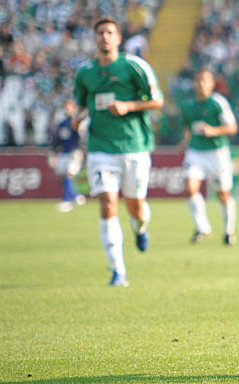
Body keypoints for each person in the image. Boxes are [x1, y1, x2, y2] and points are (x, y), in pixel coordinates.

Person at [72, 17, 164, 287]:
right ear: (94, 38)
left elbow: (157, 101)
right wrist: (80, 116)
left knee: (135, 207)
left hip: (134, 147)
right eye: (100, 32)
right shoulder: (85, 73)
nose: (105, 37)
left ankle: (140, 227)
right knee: (108, 204)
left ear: (118, 38)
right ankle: (118, 270)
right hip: (100, 148)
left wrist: (128, 106)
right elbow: (86, 103)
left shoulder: (134, 66)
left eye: (110, 32)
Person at [178, 68, 239, 245]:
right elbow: (187, 128)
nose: (201, 84)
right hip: (196, 152)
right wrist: (184, 141)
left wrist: (213, 131)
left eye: (204, 81)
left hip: (217, 153)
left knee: (223, 194)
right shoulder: (188, 105)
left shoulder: (218, 103)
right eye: (198, 81)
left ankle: (228, 232)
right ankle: (202, 227)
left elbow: (232, 128)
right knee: (190, 188)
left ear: (211, 84)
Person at [50, 99, 87, 213]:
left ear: (74, 108)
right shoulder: (62, 124)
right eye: (66, 107)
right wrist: (53, 153)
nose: (68, 109)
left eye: (70, 107)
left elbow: (82, 137)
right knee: (60, 176)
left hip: (74, 153)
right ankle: (75, 195)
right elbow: (57, 140)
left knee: (68, 175)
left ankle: (67, 200)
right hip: (63, 153)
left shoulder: (77, 123)